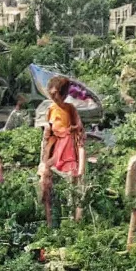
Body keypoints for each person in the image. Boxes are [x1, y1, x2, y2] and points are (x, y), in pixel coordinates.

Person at [39, 75, 86, 227]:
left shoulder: (71, 111)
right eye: (51, 94)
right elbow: (46, 138)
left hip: (68, 159)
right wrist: (42, 162)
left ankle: (73, 228)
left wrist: (81, 168)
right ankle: (50, 226)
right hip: (52, 159)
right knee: (48, 194)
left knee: (71, 196)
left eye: (56, 94)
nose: (53, 98)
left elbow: (80, 141)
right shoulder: (51, 109)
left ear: (64, 94)